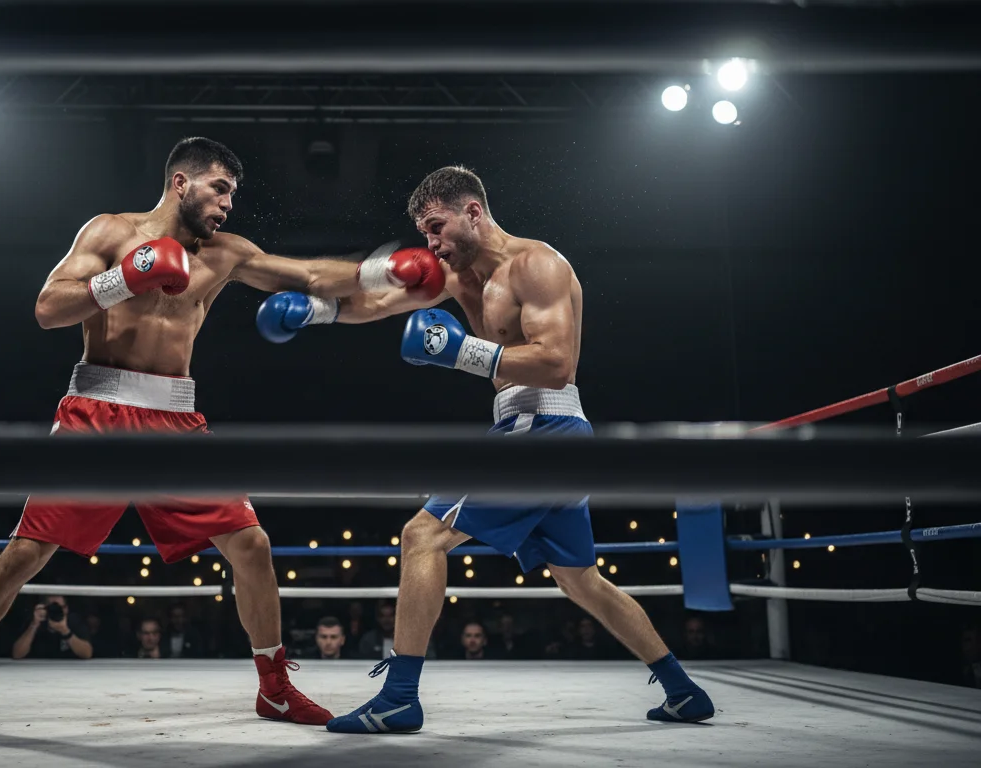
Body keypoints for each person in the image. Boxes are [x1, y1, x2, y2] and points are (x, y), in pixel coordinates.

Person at [0, 137, 444, 734]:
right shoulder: (109, 232)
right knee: (26, 554)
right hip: (97, 408)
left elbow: (310, 274)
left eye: (233, 193)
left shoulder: (226, 253)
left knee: (251, 545)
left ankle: (275, 689)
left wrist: (384, 270)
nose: (228, 204)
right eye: (220, 189)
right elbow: (48, 308)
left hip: (176, 418)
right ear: (181, 183)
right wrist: (125, 278)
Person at [259, 165, 713, 733]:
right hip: (533, 433)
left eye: (435, 227)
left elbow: (557, 362)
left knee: (422, 536)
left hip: (544, 428)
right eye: (424, 233)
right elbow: (374, 305)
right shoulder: (456, 278)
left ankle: (400, 697)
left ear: (472, 211)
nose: (430, 244)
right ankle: (682, 691)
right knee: (581, 579)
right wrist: (315, 312)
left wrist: (459, 352)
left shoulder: (537, 265)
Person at [11, 596, 93, 660]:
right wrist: (34, 625)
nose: (56, 610)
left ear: (66, 608)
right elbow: (17, 654)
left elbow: (87, 654)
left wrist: (65, 631)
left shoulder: (73, 621)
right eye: (53, 607)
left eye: (61, 607)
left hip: (68, 670)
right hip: (38, 669)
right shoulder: (36, 620)